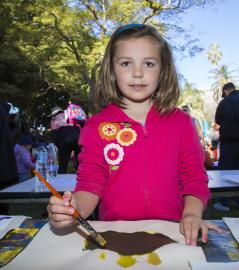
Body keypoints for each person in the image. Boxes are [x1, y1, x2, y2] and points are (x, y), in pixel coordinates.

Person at [48, 24, 222, 246]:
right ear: (111, 70)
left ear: (163, 70)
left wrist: (192, 214)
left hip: (174, 235)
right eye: (126, 63)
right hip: (115, 238)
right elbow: (90, 184)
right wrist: (74, 209)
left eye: (148, 63)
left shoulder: (182, 123)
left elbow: (194, 178)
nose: (137, 72)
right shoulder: (95, 126)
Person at [214, 82, 239, 211]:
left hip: (228, 143)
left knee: (225, 172)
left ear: (226, 91)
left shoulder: (224, 103)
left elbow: (218, 120)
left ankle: (224, 203)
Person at [49, 106, 80, 174]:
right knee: (79, 160)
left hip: (65, 137)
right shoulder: (68, 114)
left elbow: (54, 134)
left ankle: (61, 178)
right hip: (77, 135)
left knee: (63, 163)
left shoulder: (53, 119)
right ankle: (81, 175)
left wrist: (57, 145)